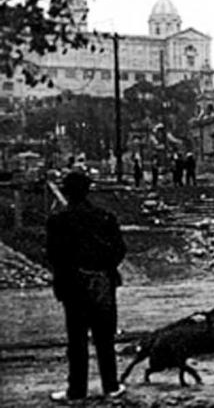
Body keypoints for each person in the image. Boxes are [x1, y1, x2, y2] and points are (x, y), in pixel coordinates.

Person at [46, 171, 126, 402]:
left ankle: (76, 392)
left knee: (77, 341)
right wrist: (103, 268)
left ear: (66, 191)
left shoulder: (58, 220)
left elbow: (53, 255)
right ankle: (111, 386)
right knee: (105, 338)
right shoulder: (105, 217)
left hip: (73, 285)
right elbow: (119, 250)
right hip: (102, 284)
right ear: (88, 190)